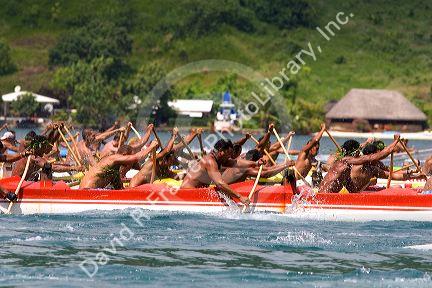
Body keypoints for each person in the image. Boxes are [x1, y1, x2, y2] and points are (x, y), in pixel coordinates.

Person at [180, 139, 250, 207]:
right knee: (221, 187)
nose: (229, 157)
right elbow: (220, 183)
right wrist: (240, 197)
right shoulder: (210, 161)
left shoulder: (218, 159)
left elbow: (236, 163)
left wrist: (256, 163)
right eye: (228, 154)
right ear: (221, 152)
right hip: (188, 193)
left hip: (199, 192)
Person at [319, 136, 400, 193]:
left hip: (326, 197)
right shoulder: (346, 161)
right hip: (325, 198)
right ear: (355, 151)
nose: (359, 153)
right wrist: (395, 141)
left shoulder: (345, 168)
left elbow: (353, 191)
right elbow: (376, 157)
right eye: (358, 151)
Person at [80, 141, 159, 189]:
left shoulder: (114, 172)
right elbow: (137, 157)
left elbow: (120, 190)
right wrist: (151, 147)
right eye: (129, 157)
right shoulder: (113, 158)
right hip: (85, 191)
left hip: (93, 193)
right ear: (124, 155)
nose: (131, 163)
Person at [349, 141, 424, 192]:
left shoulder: (374, 168)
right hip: (350, 194)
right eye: (378, 153)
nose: (379, 155)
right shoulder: (356, 165)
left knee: (398, 187)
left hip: (360, 192)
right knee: (375, 181)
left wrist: (415, 176)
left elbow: (392, 174)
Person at [222, 149, 295, 184]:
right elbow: (265, 174)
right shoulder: (246, 168)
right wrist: (285, 166)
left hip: (221, 187)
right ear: (251, 159)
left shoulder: (239, 159)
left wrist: (285, 164)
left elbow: (266, 169)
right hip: (225, 192)